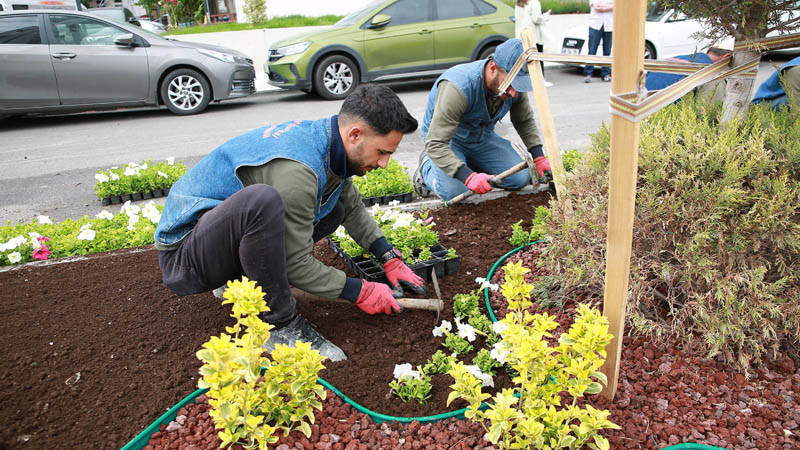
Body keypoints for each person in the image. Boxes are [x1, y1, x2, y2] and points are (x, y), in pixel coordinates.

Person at [154, 84, 427, 362]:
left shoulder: (329, 142)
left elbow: (351, 207)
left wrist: (389, 257)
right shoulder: (299, 169)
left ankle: (243, 279)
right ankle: (280, 325)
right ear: (355, 134)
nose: (384, 163)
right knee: (261, 202)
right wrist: (360, 290)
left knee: (335, 209)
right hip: (185, 257)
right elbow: (293, 263)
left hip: (216, 237)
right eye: (382, 152)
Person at [412, 38, 551, 202]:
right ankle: (427, 169)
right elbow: (436, 142)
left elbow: (524, 120)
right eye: (512, 85)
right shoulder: (458, 87)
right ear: (493, 68)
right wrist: (468, 177)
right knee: (455, 191)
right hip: (448, 141)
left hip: (481, 138)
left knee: (519, 178)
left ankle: (468, 164)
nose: (515, 93)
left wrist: (539, 157)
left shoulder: (513, 87)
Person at [644, 47, 731, 103]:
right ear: (727, 57)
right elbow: (711, 113)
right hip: (663, 115)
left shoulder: (681, 57)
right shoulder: (711, 73)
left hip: (640, 105)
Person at [515, 0, 553, 87]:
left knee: (527, 60)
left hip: (522, 35)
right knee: (538, 59)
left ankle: (528, 81)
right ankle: (540, 81)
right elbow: (536, 19)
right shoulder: (534, 2)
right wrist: (546, 16)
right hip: (533, 35)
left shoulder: (519, 3)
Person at [583, 0, 613, 83]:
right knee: (592, 50)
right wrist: (607, 6)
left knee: (607, 51)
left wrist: (605, 6)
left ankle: (605, 73)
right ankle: (588, 73)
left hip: (609, 24)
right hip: (595, 24)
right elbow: (595, 6)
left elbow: (616, 5)